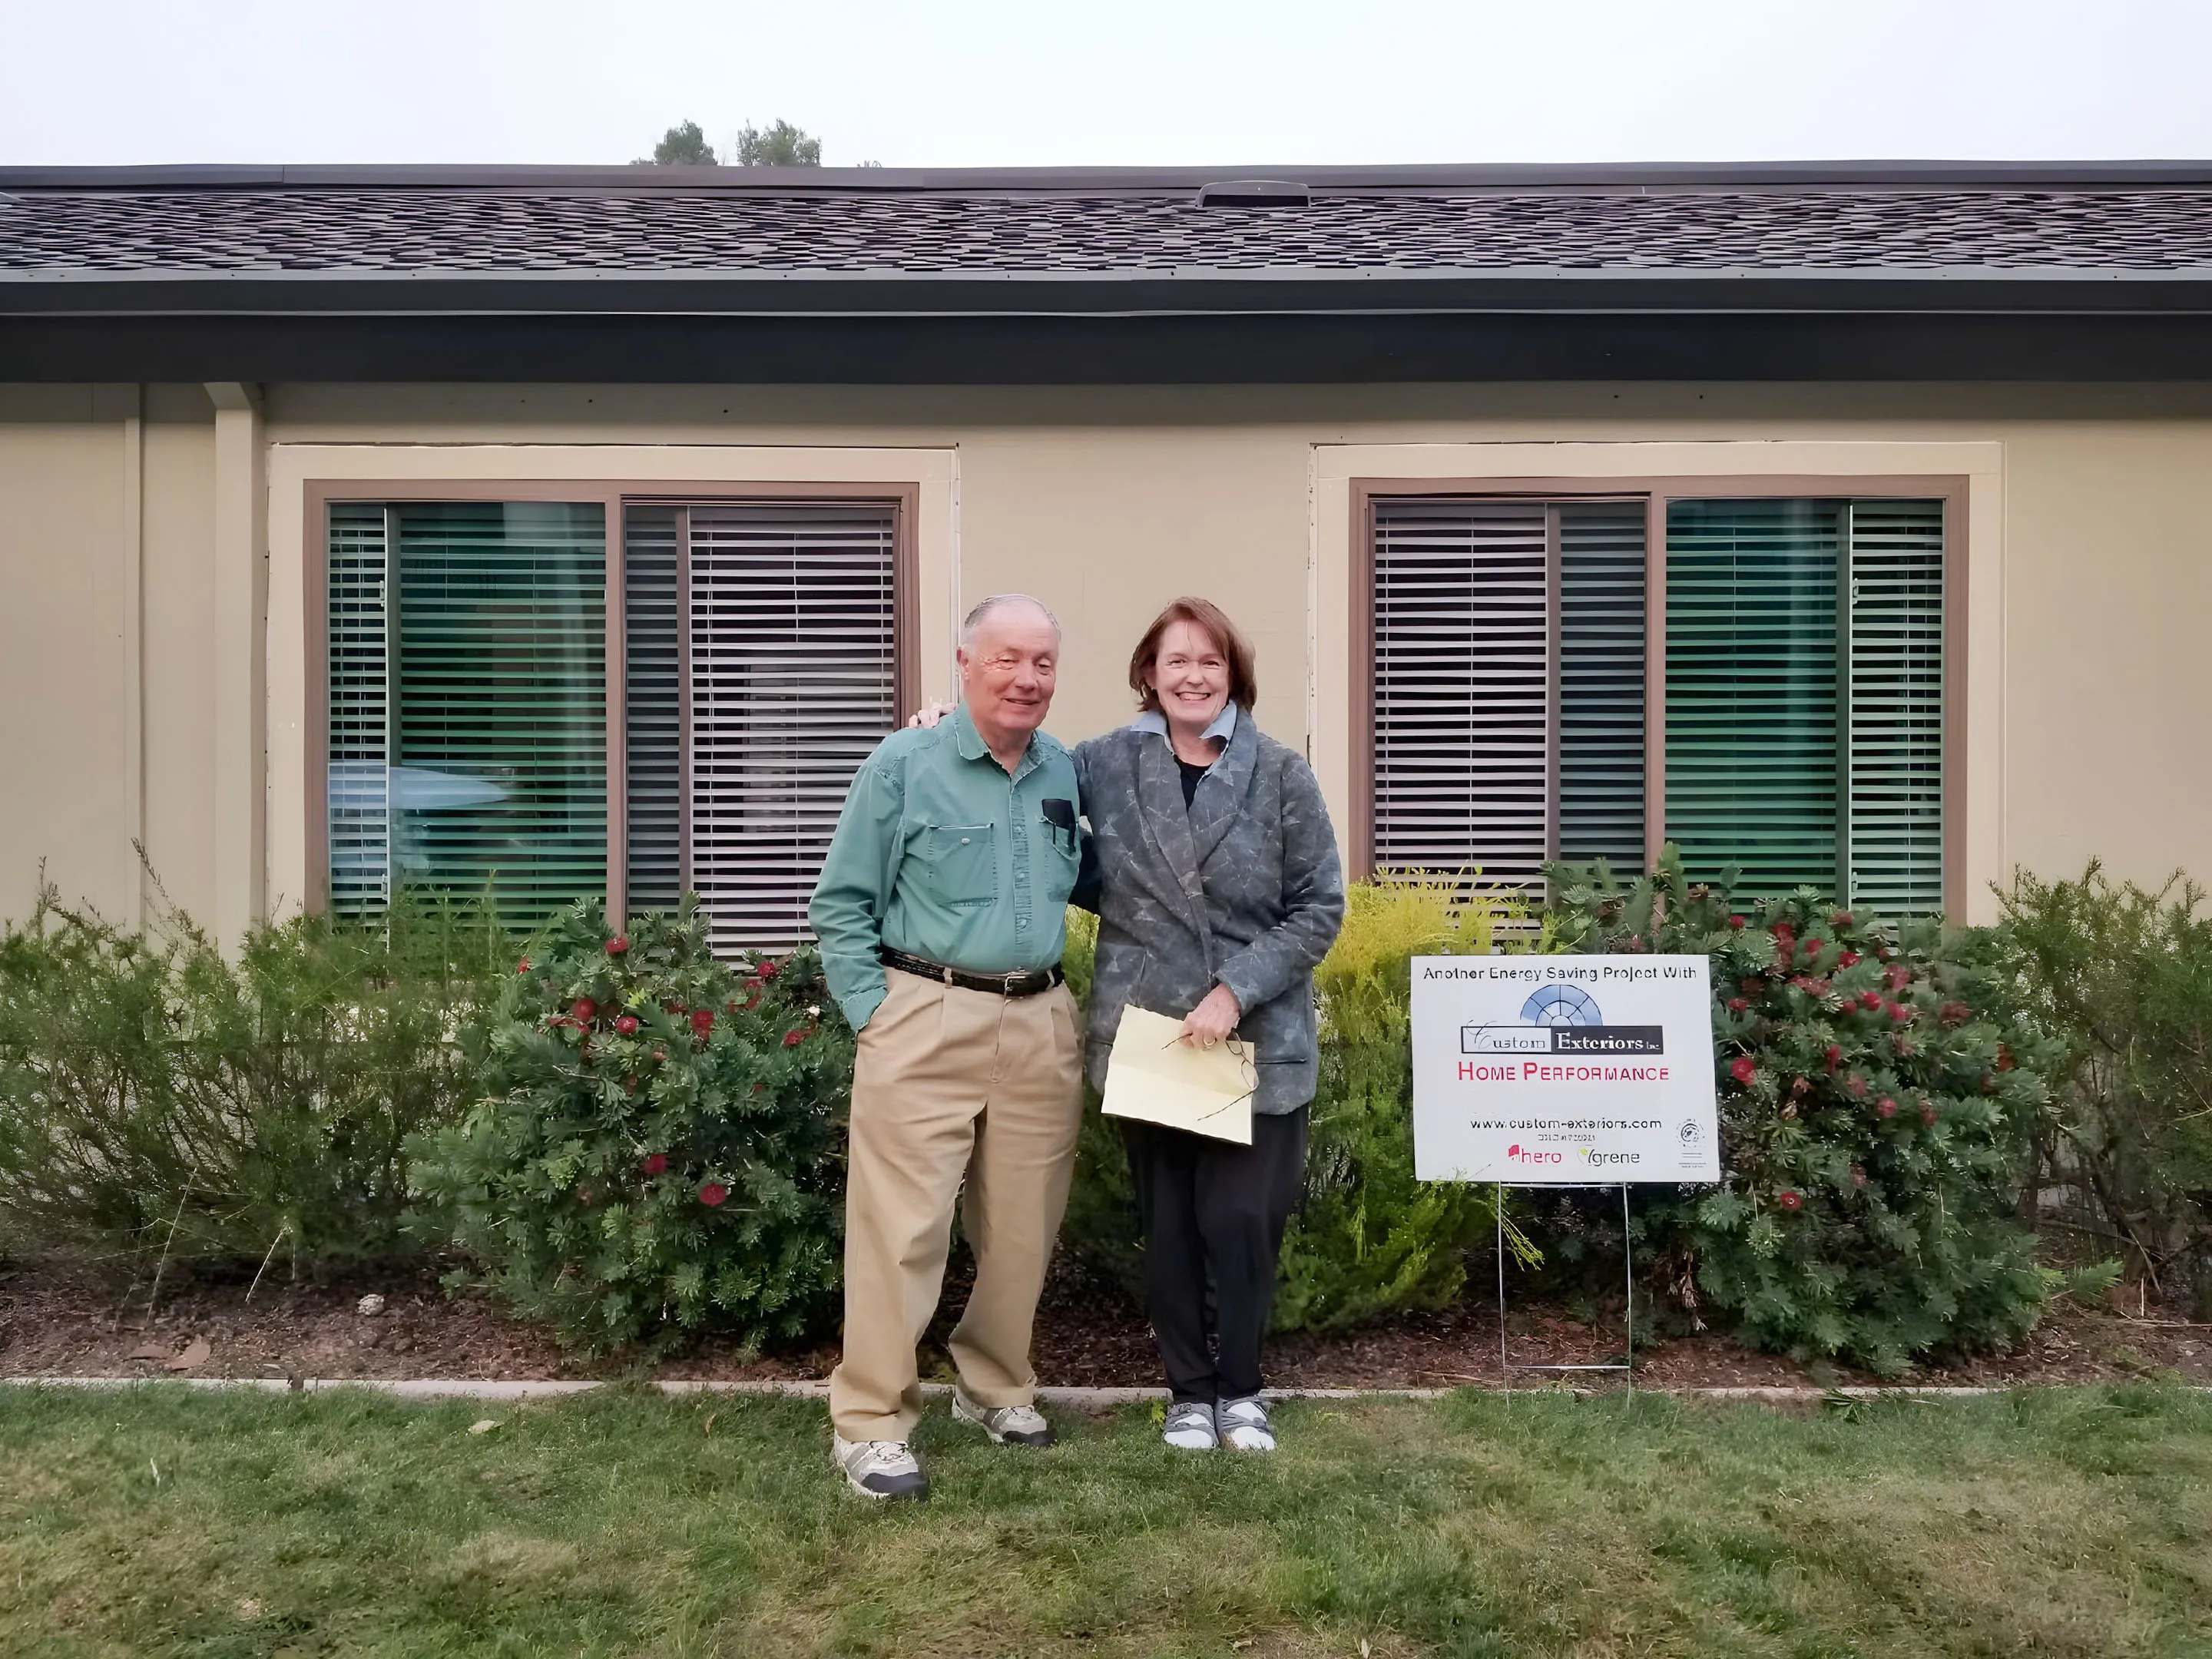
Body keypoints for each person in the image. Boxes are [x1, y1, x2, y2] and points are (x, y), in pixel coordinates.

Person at [808, 593, 1087, 1501]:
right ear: (964, 665)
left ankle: (994, 1388)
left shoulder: (1062, 769)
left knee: (1024, 1228)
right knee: (901, 1230)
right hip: (924, 1015)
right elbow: (841, 902)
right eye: (1006, 658)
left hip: (1040, 1020)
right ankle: (871, 1425)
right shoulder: (903, 763)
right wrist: (874, 1015)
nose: (1026, 678)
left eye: (1042, 662)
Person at [1074, 598, 1344, 1452]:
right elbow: (1013, 784)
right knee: (1171, 1229)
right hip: (1154, 1033)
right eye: (1177, 661)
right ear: (1148, 674)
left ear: (1235, 675)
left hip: (1254, 1036)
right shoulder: (1101, 764)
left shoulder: (1282, 773)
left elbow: (1319, 908)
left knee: (1240, 1223)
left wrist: (1235, 988)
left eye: (1211, 662)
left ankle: (1243, 1390)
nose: (1193, 676)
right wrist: (940, 733)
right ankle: (1190, 1394)